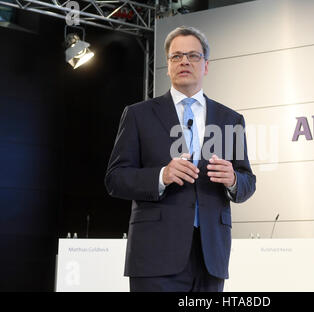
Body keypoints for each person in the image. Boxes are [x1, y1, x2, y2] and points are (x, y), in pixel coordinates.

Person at [104, 26, 256, 292]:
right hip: (155, 255)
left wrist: (233, 180)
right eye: (176, 56)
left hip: (210, 256)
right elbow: (115, 178)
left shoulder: (229, 119)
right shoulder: (139, 115)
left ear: (206, 65)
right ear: (167, 65)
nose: (184, 61)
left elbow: (247, 182)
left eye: (193, 56)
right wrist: (161, 176)